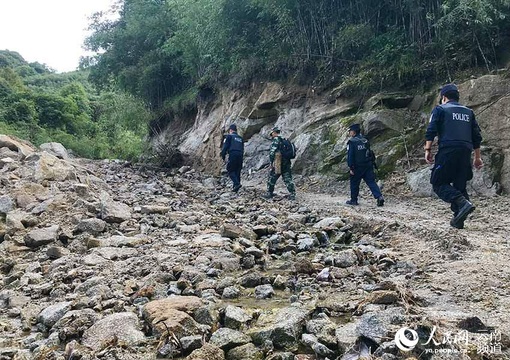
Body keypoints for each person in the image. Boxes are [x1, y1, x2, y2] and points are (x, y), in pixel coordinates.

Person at [425, 83, 483, 229]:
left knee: (438, 183)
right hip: (465, 152)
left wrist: (428, 149)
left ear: (444, 97)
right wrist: (477, 157)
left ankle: (462, 203)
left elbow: (431, 130)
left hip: (448, 150)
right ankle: (459, 220)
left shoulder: (440, 109)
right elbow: (476, 136)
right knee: (460, 185)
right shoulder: (469, 112)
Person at [345, 123, 384, 206]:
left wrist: (351, 167)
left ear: (354, 132)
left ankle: (354, 200)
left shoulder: (351, 142)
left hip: (357, 167)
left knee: (354, 183)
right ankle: (379, 197)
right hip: (368, 165)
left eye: (350, 131)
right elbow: (369, 152)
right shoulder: (365, 139)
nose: (349, 133)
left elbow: (350, 156)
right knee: (371, 182)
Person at [262, 127, 296, 200]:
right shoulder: (285, 139)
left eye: (272, 134)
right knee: (287, 178)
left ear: (274, 133)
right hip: (286, 161)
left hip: (278, 161)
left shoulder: (276, 140)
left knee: (272, 177)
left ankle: (269, 193)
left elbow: (272, 152)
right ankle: (292, 194)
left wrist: (271, 163)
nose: (272, 136)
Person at [220, 124, 244, 192]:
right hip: (240, 155)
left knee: (230, 169)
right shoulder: (240, 138)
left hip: (233, 154)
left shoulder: (229, 136)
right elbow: (242, 148)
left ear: (230, 130)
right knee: (237, 170)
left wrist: (223, 155)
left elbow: (225, 147)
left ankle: (236, 184)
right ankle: (236, 188)